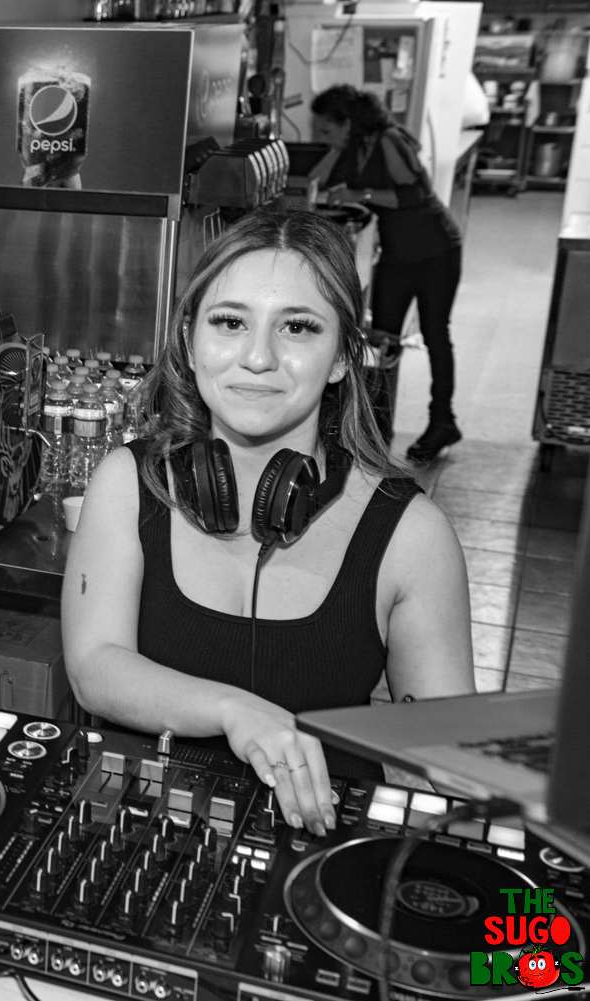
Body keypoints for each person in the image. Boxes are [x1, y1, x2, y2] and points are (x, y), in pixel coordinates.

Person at [61, 210, 474, 837]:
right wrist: (235, 710)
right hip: (143, 832)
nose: (258, 357)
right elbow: (95, 667)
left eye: (298, 328)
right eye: (230, 322)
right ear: (190, 341)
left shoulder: (411, 535)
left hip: (318, 850)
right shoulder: (128, 482)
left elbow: (445, 765)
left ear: (342, 358)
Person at [311, 84, 464, 464]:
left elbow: (413, 195)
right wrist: (336, 148)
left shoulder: (390, 140)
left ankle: (443, 421)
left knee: (435, 334)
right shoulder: (355, 147)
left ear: (349, 122)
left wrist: (360, 195)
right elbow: (317, 179)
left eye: (327, 129)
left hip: (436, 249)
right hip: (398, 254)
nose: (323, 137)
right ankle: (376, 428)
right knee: (382, 339)